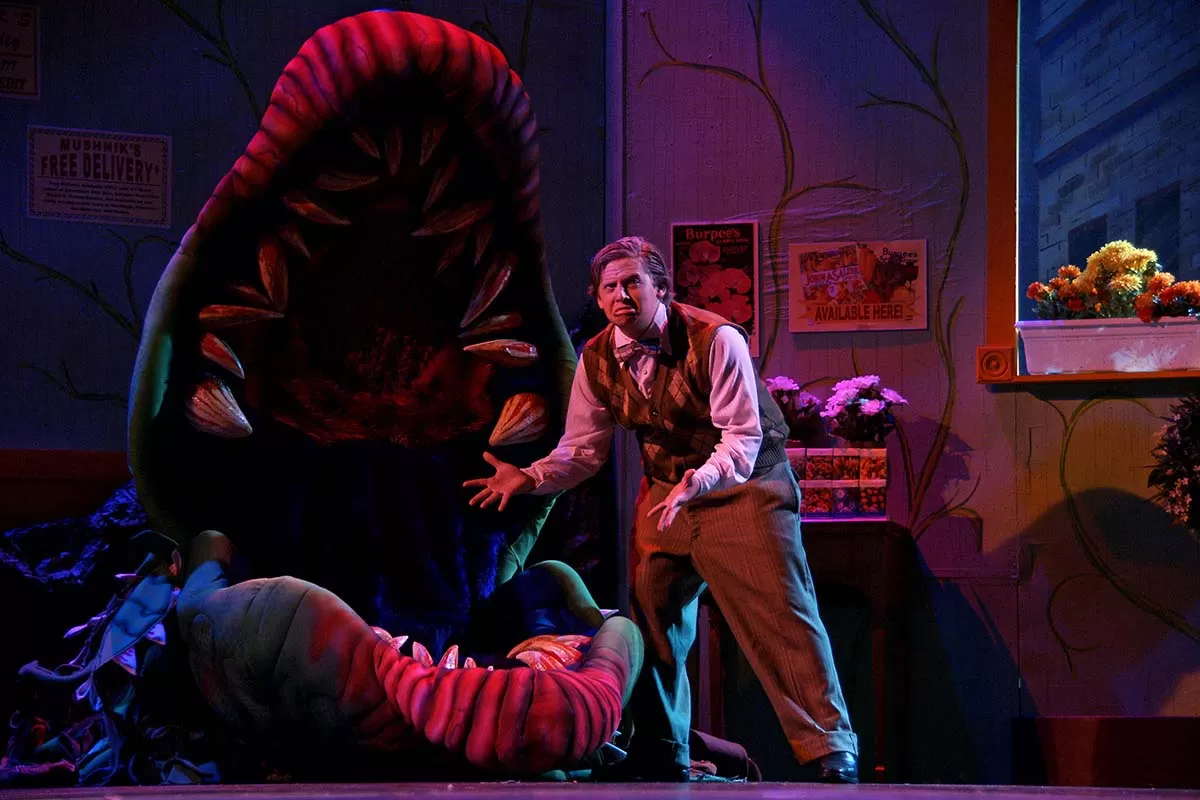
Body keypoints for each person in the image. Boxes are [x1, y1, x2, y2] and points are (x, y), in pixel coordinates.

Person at [463, 236, 858, 783]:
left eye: (633, 283)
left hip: (744, 488)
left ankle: (829, 746)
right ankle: (663, 748)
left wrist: (701, 482)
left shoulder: (716, 339)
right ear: (598, 298)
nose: (621, 295)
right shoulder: (599, 357)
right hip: (666, 493)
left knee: (779, 613)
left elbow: (743, 439)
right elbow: (583, 450)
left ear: (662, 289)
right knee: (652, 615)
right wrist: (530, 476)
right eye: (610, 287)